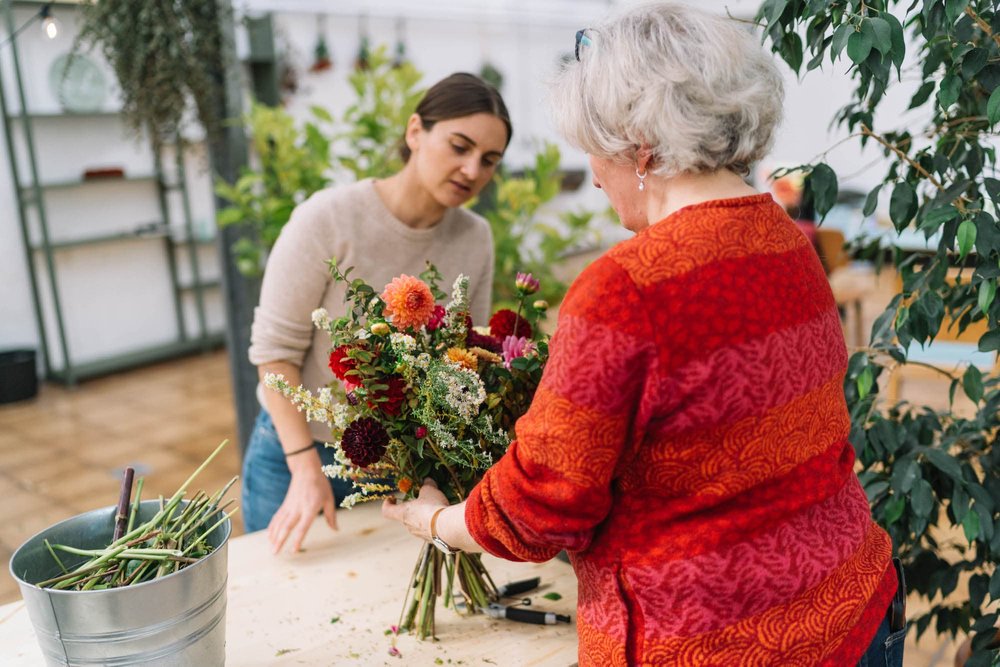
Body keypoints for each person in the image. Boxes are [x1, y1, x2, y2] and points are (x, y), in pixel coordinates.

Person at [383, 4, 904, 666]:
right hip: (857, 610)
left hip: (719, 645)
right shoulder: (785, 238)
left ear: (644, 149)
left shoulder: (626, 287)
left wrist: (436, 521)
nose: (595, 176)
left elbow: (544, 502)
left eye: (595, 153)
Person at [244, 72, 511, 554]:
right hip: (297, 452)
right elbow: (273, 355)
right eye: (459, 146)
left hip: (400, 470)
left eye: (488, 160)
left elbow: (462, 358)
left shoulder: (476, 238)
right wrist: (305, 468)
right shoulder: (326, 218)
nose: (472, 170)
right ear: (415, 132)